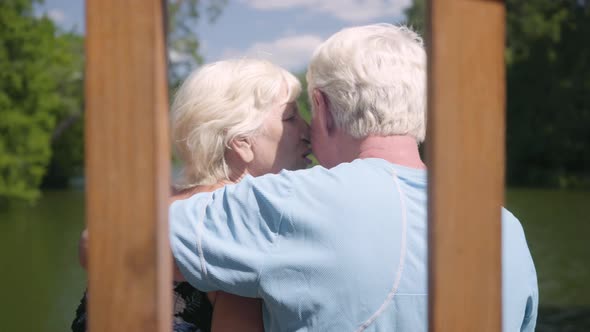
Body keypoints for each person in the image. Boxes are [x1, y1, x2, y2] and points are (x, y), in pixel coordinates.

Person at [169, 24, 539, 331]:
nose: (305, 130)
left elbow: (130, 234)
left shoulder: (291, 205)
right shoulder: (507, 230)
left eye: (304, 113)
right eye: (288, 116)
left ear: (324, 107)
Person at [72, 58, 311, 332]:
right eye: (290, 117)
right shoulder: (238, 223)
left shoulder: (150, 206)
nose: (309, 131)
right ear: (242, 142)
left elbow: (90, 244)